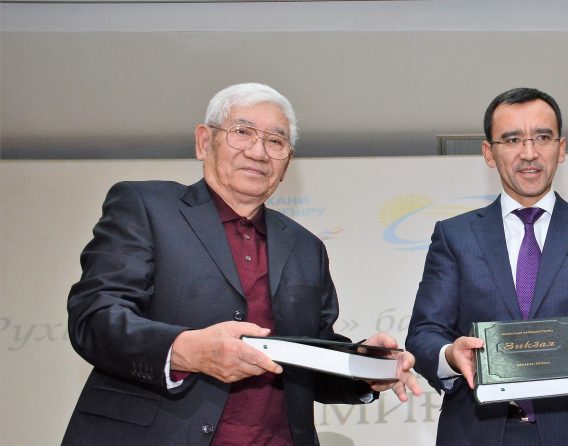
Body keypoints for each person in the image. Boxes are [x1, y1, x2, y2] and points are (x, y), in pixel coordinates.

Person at [63, 83, 421, 446]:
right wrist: (189, 351)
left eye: (275, 141)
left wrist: (362, 364)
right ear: (204, 141)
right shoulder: (145, 206)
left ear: (287, 163)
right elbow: (95, 317)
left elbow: (309, 360)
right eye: (242, 132)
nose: (258, 151)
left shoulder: (306, 247)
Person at [406, 87, 568, 446]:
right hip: (476, 432)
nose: (529, 153)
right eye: (512, 140)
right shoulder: (454, 236)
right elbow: (423, 334)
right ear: (489, 153)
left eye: (542, 137)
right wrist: (450, 354)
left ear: (561, 148)